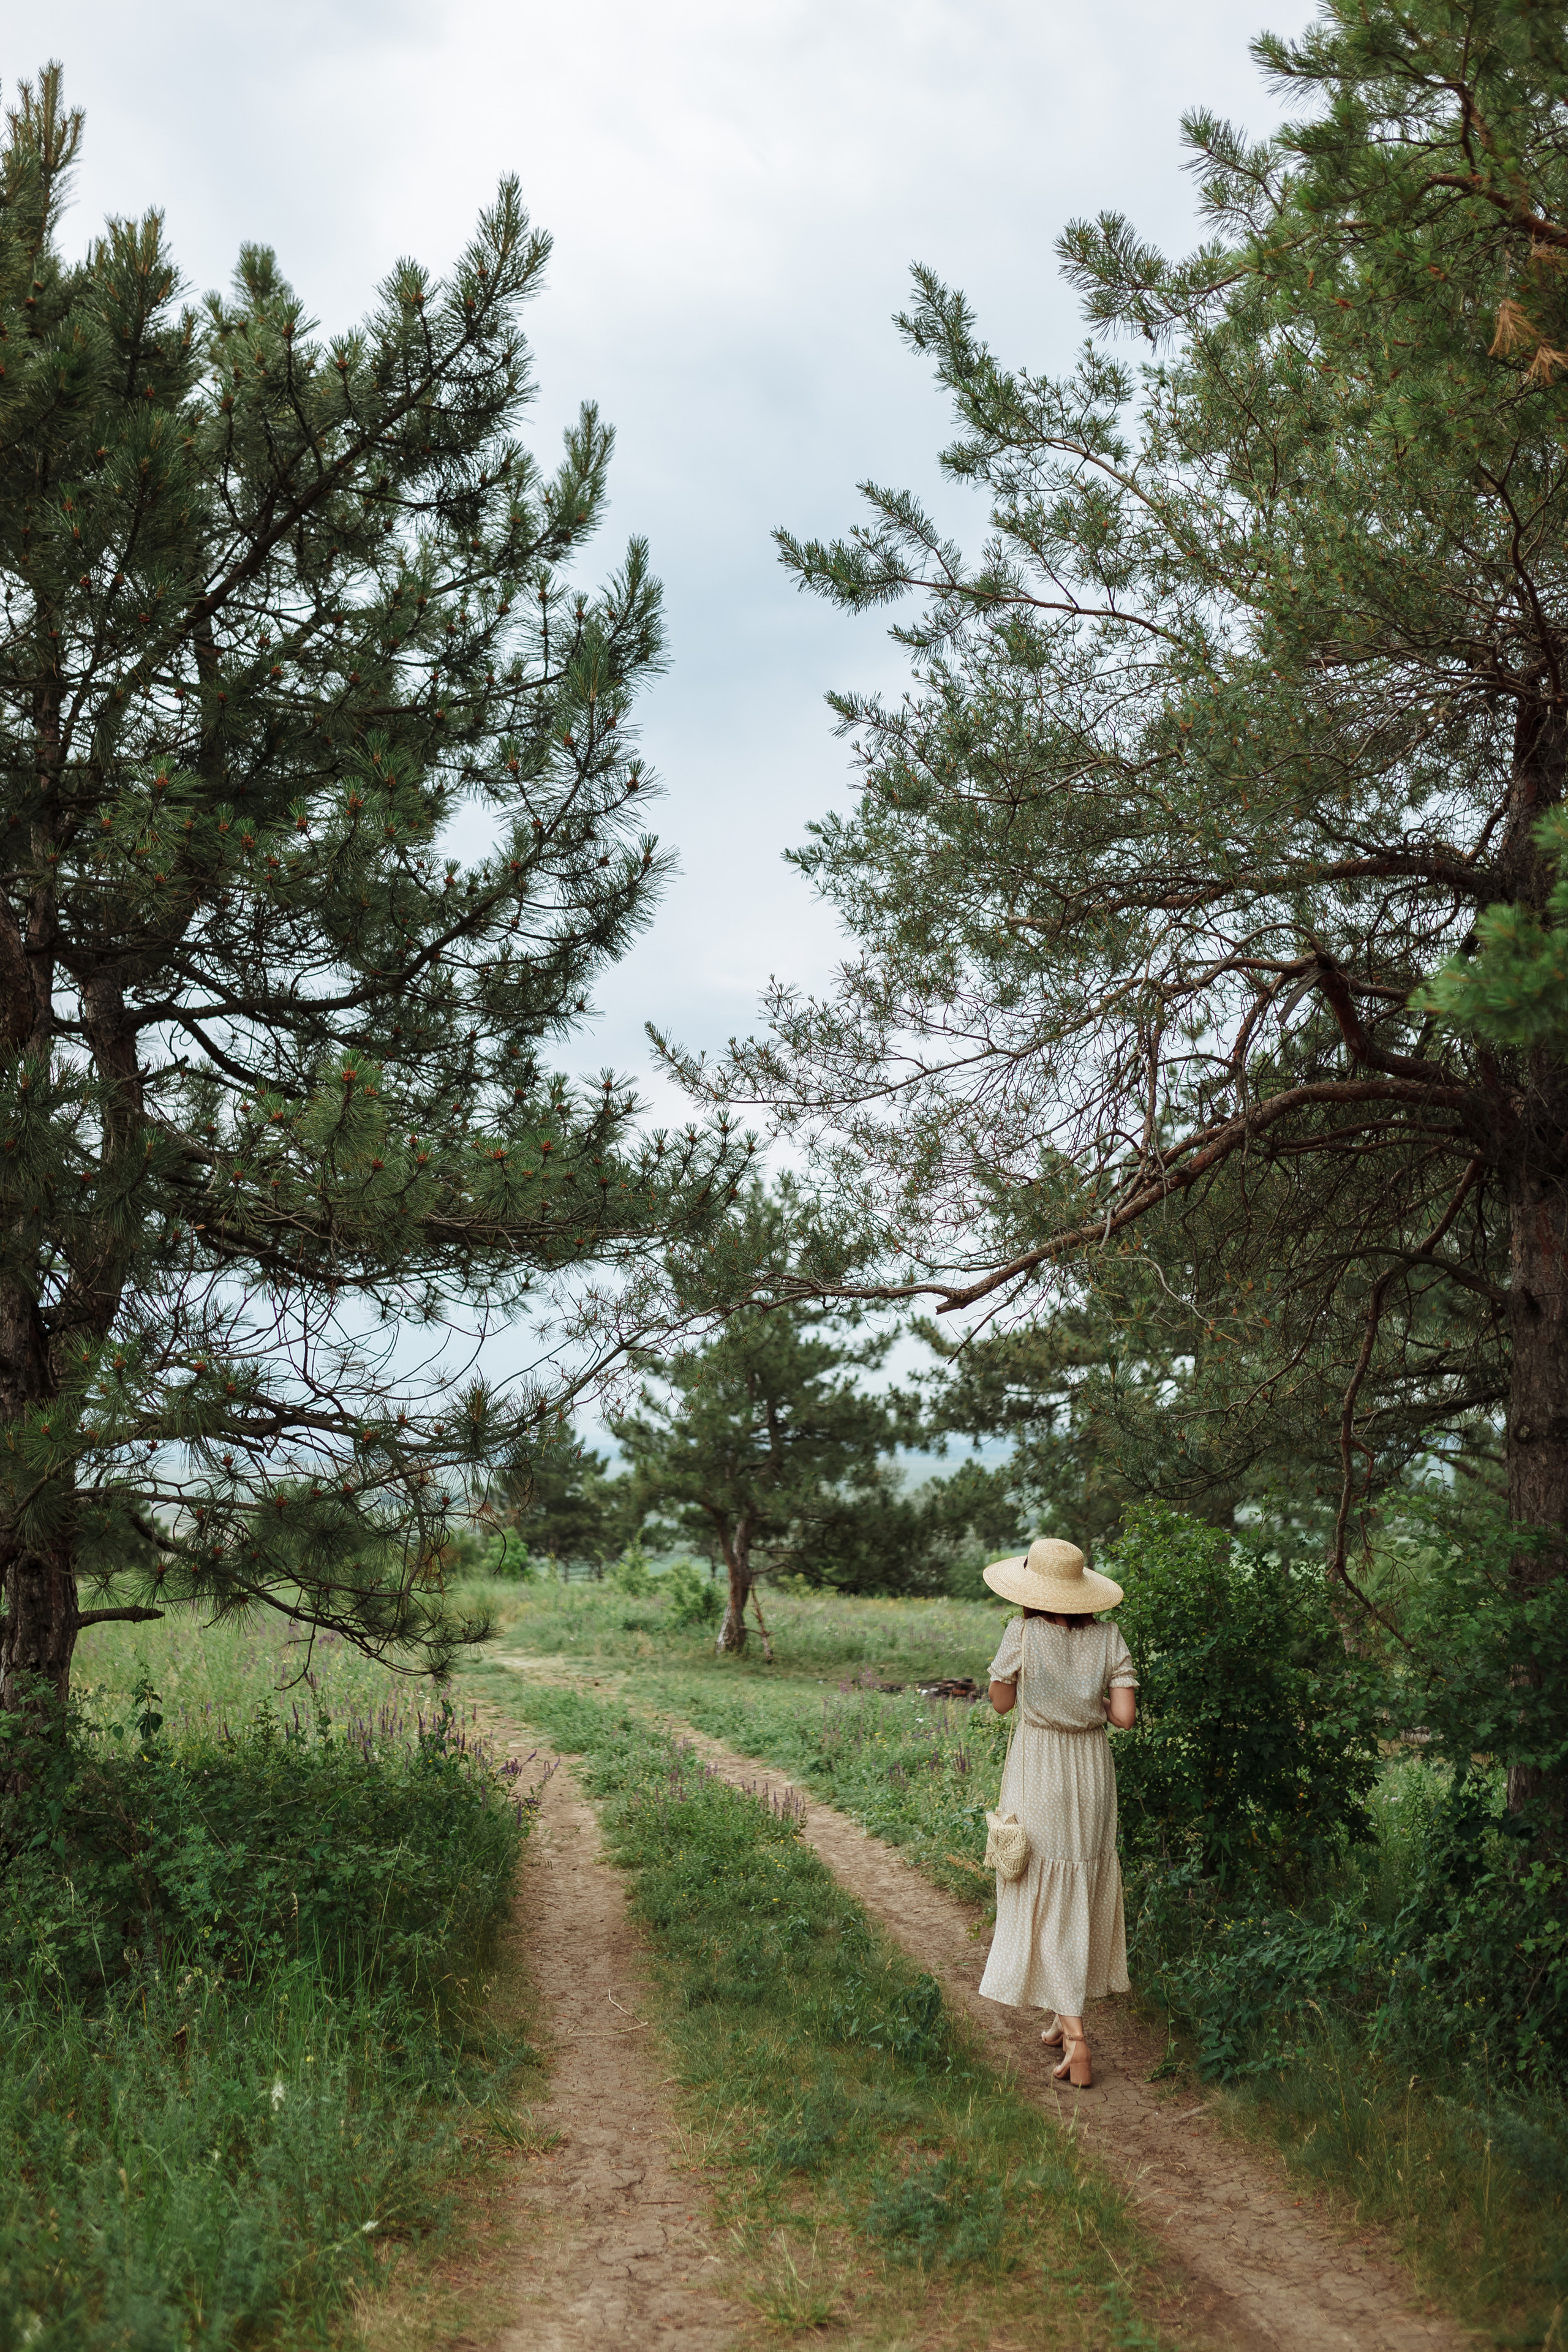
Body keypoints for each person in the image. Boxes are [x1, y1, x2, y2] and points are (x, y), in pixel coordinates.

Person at [977, 1536, 1138, 2089]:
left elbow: (1001, 1703)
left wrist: (1023, 1685)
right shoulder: (1110, 1637)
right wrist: (1089, 1702)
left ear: (1033, 1590)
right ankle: (1058, 2012)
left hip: (1039, 1765)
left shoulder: (1021, 1633)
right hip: (1091, 1770)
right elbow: (1124, 1717)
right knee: (1078, 1881)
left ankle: (1077, 2039)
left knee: (1042, 1887)